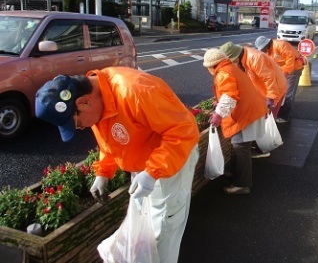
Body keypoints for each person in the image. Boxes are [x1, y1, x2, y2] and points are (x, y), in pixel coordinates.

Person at [35, 67, 200, 263]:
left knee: (162, 231)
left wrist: (153, 171)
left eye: (77, 123)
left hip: (170, 164)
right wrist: (103, 172)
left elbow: (184, 131)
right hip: (147, 167)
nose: (81, 128)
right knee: (147, 231)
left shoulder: (135, 92)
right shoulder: (98, 96)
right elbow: (110, 138)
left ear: (84, 102)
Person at [202, 48, 267, 195]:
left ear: (213, 65)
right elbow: (233, 91)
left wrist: (218, 114)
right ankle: (237, 174)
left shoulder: (223, 73)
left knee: (240, 146)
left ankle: (242, 184)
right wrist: (219, 103)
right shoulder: (231, 68)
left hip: (246, 114)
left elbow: (230, 96)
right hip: (252, 109)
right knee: (242, 145)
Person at [220, 41, 287, 120]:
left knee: (268, 119)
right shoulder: (241, 59)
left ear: (236, 57)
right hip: (261, 88)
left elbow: (269, 78)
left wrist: (271, 98)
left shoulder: (255, 58)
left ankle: (268, 129)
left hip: (275, 88)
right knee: (261, 118)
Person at [254, 36, 305, 123]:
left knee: (288, 93)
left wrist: (284, 74)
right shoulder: (268, 51)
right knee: (279, 93)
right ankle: (279, 112)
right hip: (281, 72)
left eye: (263, 48)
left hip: (294, 69)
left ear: (267, 44)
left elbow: (290, 60)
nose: (263, 51)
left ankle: (285, 116)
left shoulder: (281, 45)